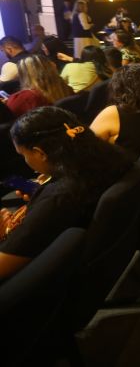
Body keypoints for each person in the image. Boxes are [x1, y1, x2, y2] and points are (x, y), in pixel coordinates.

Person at [0, 107, 131, 279]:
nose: (26, 161)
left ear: (40, 153)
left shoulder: (57, 200)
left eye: (24, 154)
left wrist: (5, 234)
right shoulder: (112, 157)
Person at [2, 54, 74, 118]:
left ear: (23, 75)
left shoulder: (24, 98)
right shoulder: (66, 89)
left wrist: (6, 104)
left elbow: (8, 117)